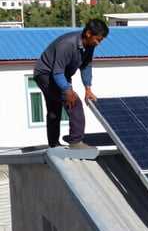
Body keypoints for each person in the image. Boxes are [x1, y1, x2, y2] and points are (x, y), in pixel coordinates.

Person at [33, 19, 110, 149]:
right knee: (74, 102)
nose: (99, 43)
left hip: (62, 74)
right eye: (98, 39)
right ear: (88, 33)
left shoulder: (90, 46)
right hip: (46, 74)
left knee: (54, 109)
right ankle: (75, 142)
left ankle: (54, 145)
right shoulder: (67, 44)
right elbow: (57, 72)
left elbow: (86, 66)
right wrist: (68, 90)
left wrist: (88, 89)